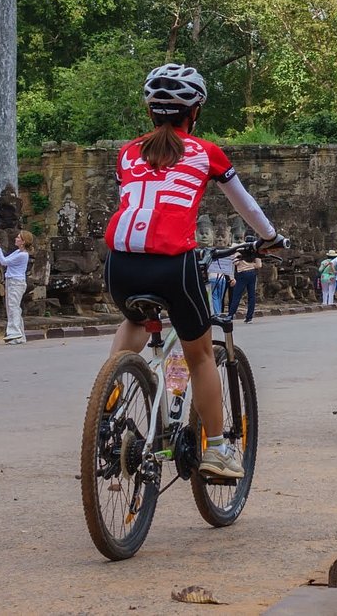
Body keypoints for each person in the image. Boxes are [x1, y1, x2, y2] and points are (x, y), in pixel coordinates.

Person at [103, 63, 286, 480]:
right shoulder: (206, 152)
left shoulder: (127, 152)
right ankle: (218, 451)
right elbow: (248, 207)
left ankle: (104, 409)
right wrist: (271, 238)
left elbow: (138, 201)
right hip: (172, 264)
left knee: (134, 321)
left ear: (150, 112)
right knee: (200, 356)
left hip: (120, 263)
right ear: (195, 111)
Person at [0, 230, 33, 344]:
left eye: (18, 237)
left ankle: (14, 332)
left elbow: (4, 262)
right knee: (13, 307)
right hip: (12, 281)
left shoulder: (23, 255)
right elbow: (7, 261)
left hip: (16, 282)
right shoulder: (17, 252)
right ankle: (20, 336)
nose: (16, 239)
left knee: (12, 307)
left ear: (23, 242)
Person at [229, 234, 262, 323]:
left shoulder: (240, 250)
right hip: (252, 273)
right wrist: (251, 265)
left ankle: (230, 315)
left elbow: (235, 263)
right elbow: (259, 265)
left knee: (236, 295)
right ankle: (249, 317)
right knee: (251, 295)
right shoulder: (256, 252)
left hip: (242, 273)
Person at [207, 251, 233, 317]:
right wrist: (231, 277)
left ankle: (217, 314)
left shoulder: (209, 257)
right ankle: (219, 313)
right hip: (222, 278)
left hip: (212, 277)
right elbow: (227, 268)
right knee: (220, 298)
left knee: (214, 297)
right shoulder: (223, 257)